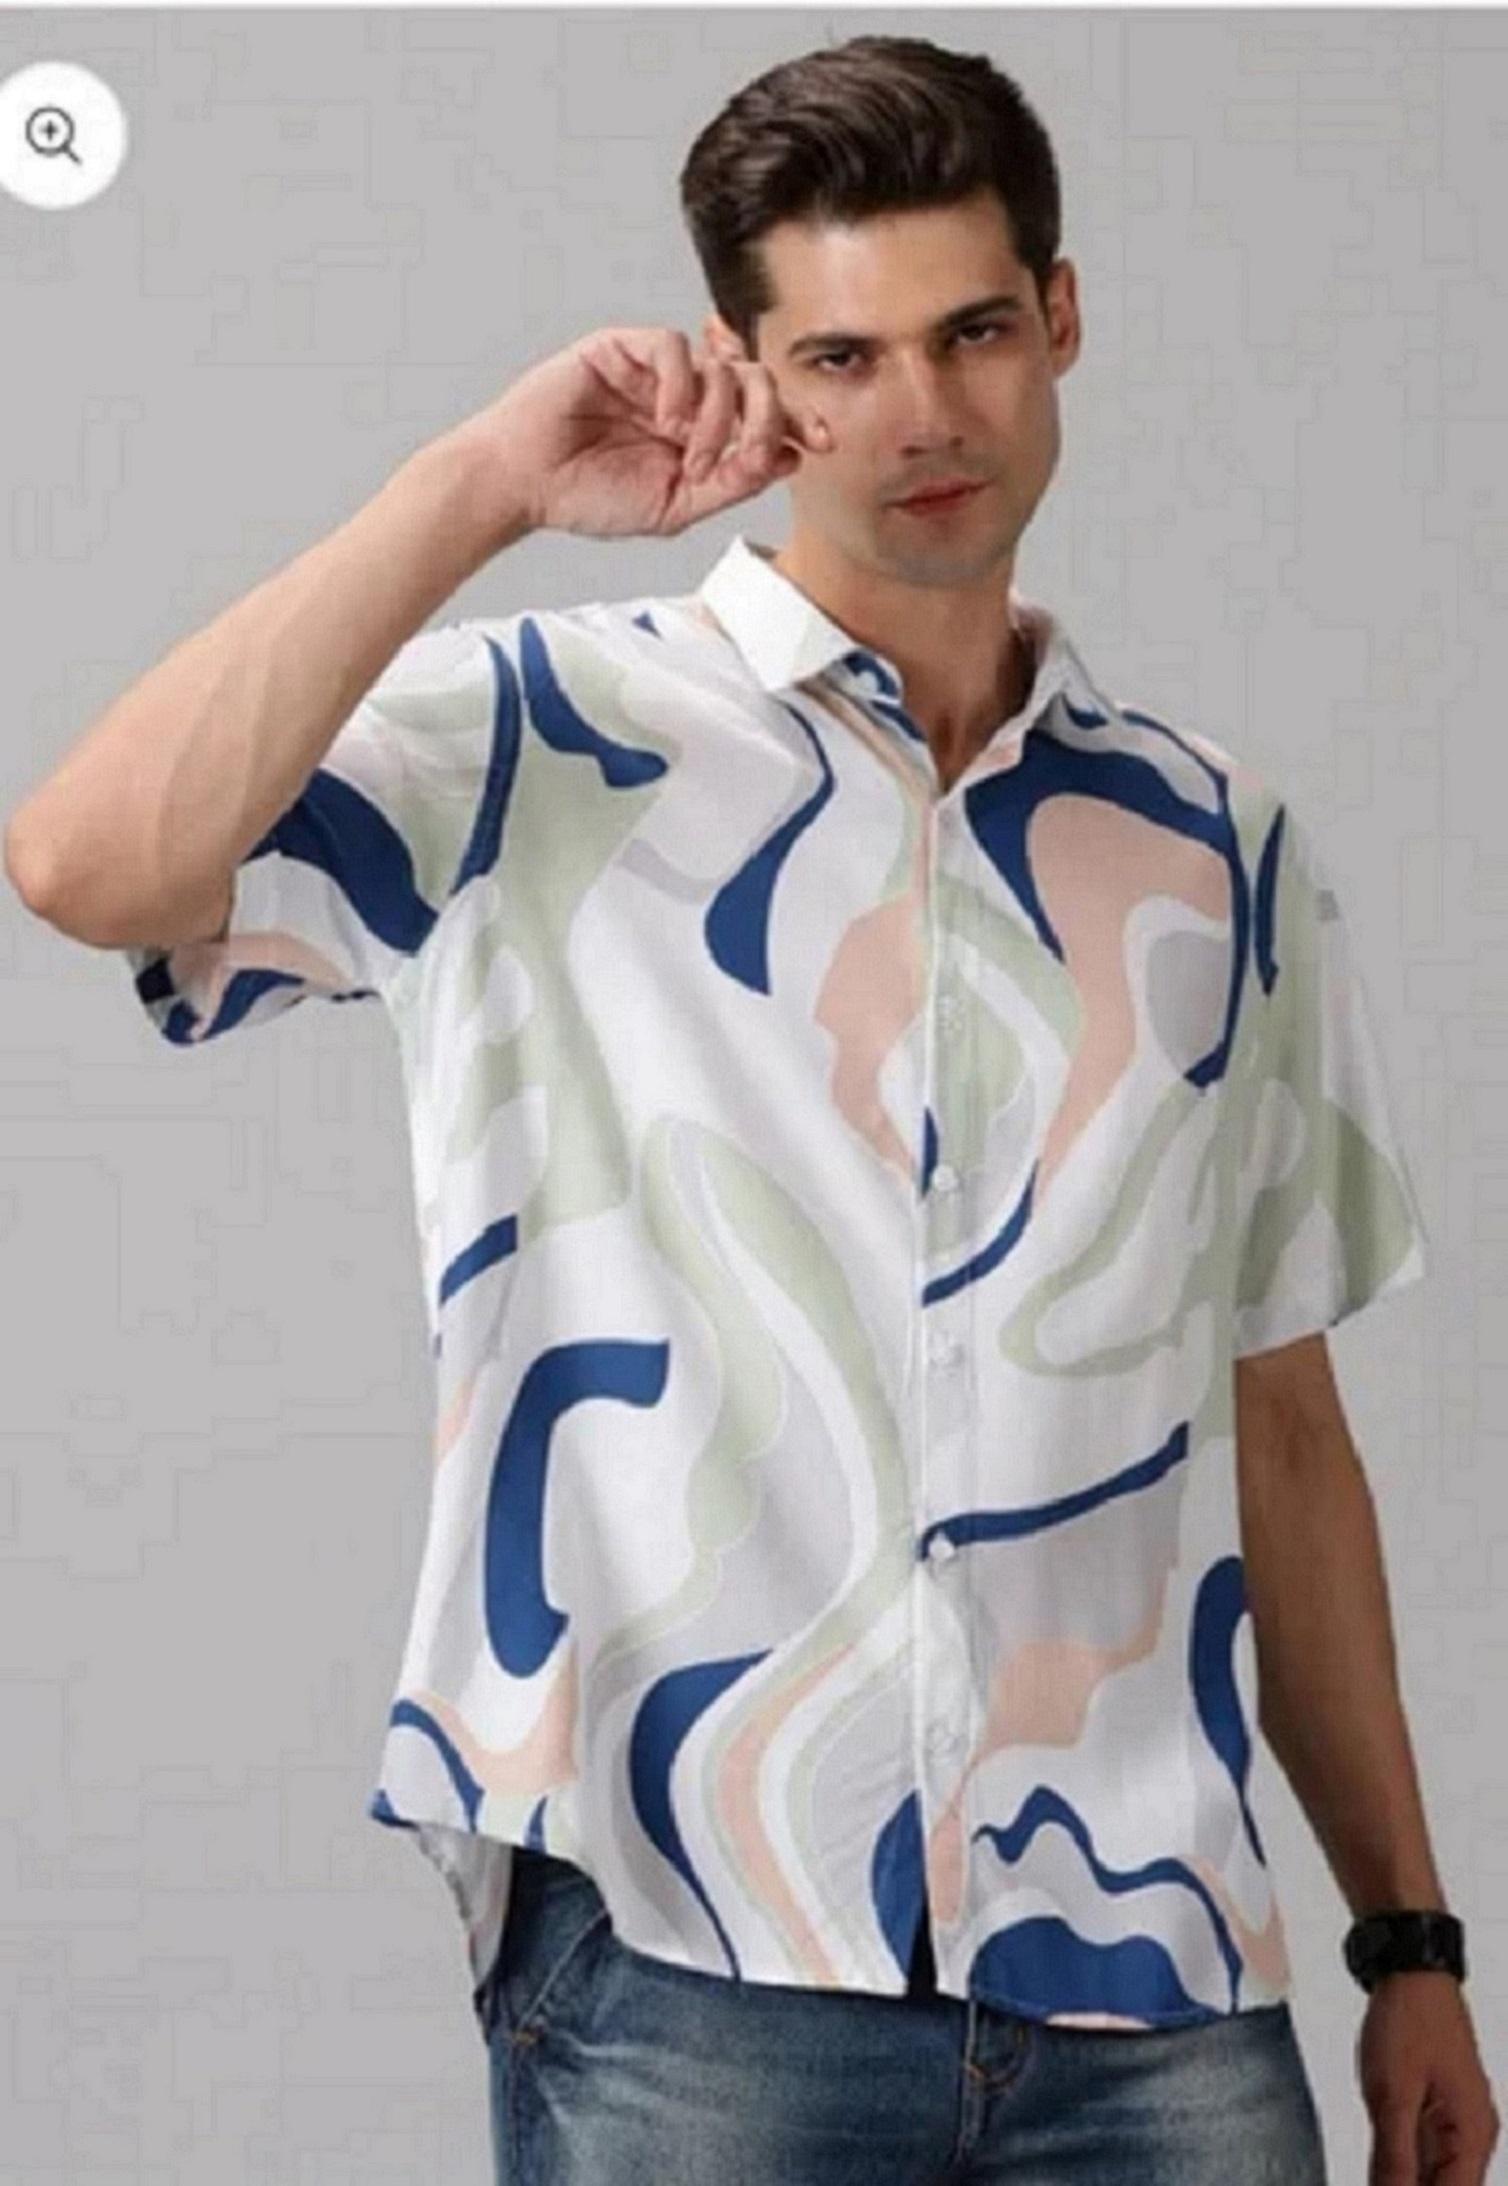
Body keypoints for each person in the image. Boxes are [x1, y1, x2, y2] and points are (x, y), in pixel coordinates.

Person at [5, 31, 1498, 2186]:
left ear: (1061, 319)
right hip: (689, 1960)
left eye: (974, 333)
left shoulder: (1214, 845)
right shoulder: (547, 741)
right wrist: (479, 486)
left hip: (1157, 1981)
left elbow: (1287, 1432)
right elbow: (88, 864)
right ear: (755, 377)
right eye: (842, 358)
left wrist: (1409, 1938)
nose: (924, 416)